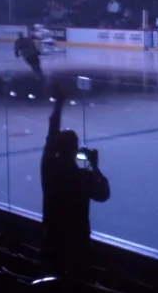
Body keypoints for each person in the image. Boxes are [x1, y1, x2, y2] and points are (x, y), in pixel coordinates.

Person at [41, 84, 110, 277]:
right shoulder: (83, 177)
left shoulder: (48, 168)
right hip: (78, 244)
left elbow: (51, 136)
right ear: (74, 150)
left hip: (52, 240)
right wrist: (95, 167)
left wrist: (58, 105)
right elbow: (104, 194)